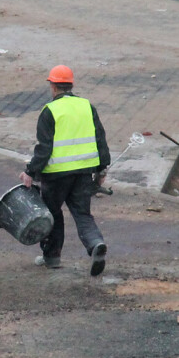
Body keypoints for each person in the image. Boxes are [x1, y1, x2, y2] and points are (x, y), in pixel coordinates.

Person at [19, 65, 111, 276]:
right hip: (83, 173)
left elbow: (44, 148)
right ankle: (95, 244)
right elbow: (100, 139)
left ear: (53, 86)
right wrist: (102, 168)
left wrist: (30, 172)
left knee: (52, 213)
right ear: (71, 85)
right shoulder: (87, 106)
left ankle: (52, 257)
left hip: (56, 175)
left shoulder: (49, 111)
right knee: (82, 213)